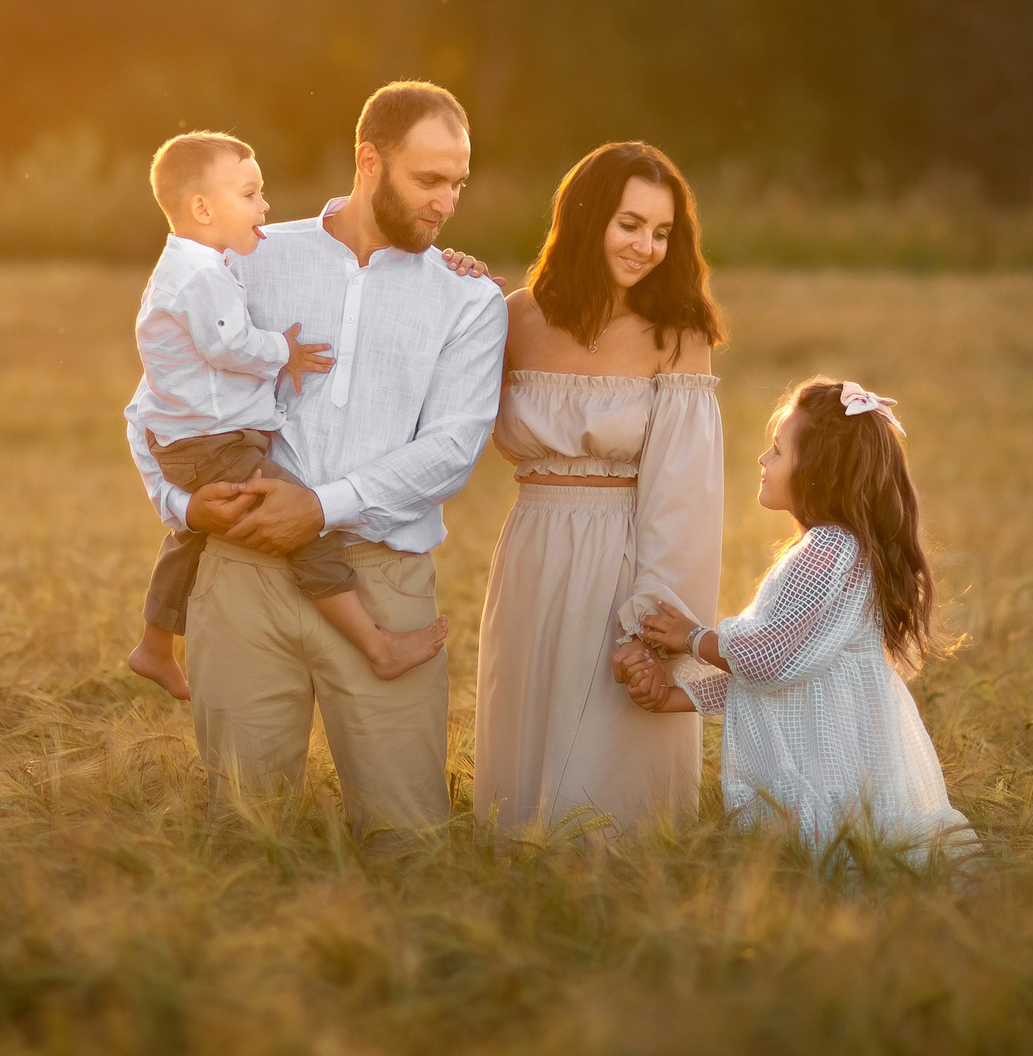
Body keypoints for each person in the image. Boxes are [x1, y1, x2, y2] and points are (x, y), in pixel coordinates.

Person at [125, 82, 507, 839]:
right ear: (370, 160)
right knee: (241, 832)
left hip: (383, 580)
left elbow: (453, 450)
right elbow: (156, 405)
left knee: (411, 839)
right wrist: (183, 508)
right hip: (241, 574)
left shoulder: (469, 299)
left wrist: (321, 505)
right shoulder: (253, 258)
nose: (446, 202)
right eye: (428, 180)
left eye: (457, 184)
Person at [123, 130, 450, 703]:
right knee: (304, 522)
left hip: (188, 442)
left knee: (193, 533)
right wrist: (285, 352)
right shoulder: (203, 277)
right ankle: (376, 643)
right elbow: (231, 346)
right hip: (212, 444)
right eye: (250, 194)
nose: (265, 206)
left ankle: (153, 644)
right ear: (203, 208)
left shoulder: (191, 264)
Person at [473, 141, 726, 836]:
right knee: (531, 729)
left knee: (614, 768)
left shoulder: (677, 335)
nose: (647, 245)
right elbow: (446, 421)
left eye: (662, 231)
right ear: (586, 219)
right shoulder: (513, 318)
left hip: (625, 551)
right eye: (630, 223)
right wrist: (454, 294)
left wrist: (660, 621)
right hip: (532, 548)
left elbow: (687, 496)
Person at [618, 378, 975, 860]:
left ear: (818, 473)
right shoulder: (846, 549)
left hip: (825, 764)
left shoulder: (826, 551)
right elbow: (782, 674)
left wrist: (692, 637)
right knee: (859, 858)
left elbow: (764, 658)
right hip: (842, 751)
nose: (763, 462)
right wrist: (674, 697)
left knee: (830, 859)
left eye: (777, 451)